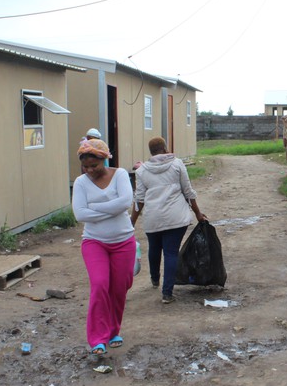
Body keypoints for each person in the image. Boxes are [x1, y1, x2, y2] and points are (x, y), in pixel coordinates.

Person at [71, 138, 136, 356]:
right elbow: (80, 214)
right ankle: (98, 339)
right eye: (85, 166)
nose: (89, 170)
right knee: (100, 285)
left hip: (124, 241)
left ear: (105, 159)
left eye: (94, 165)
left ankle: (113, 331)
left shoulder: (120, 175)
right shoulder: (81, 182)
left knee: (119, 289)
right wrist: (111, 208)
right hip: (94, 242)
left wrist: (94, 208)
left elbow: (126, 202)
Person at [130, 137, 206, 304]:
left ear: (151, 152)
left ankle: (154, 278)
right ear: (165, 148)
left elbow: (139, 199)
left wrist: (132, 222)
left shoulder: (142, 171)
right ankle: (167, 293)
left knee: (154, 249)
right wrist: (198, 214)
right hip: (176, 218)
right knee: (171, 253)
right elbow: (188, 192)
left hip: (153, 219)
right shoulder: (177, 164)